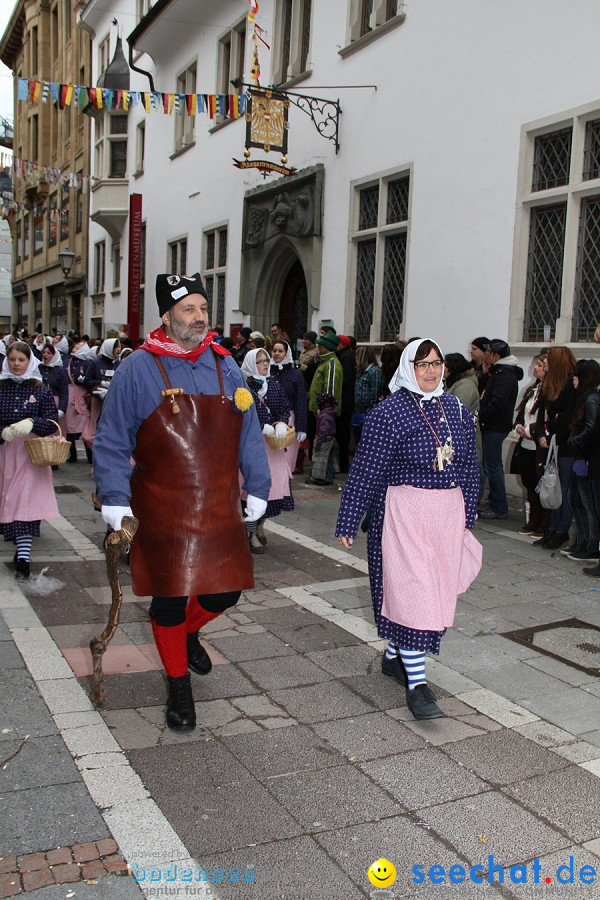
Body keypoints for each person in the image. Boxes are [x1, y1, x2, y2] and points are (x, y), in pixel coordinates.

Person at [93, 274, 270, 732]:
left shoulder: (226, 366)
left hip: (216, 503)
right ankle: (178, 687)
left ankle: (188, 634)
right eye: (187, 309)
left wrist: (260, 485)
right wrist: (114, 499)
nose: (198, 317)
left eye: (202, 308)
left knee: (224, 589)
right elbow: (112, 440)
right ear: (167, 317)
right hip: (161, 504)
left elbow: (248, 431)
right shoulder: (138, 368)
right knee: (169, 599)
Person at [336, 339, 481, 719]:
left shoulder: (456, 409)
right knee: (414, 594)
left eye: (436, 363)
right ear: (407, 368)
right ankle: (418, 687)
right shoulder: (390, 413)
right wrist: (350, 518)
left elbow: (468, 465)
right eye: (422, 364)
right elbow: (366, 470)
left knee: (432, 592)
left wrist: (468, 516)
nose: (431, 371)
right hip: (404, 515)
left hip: (446, 516)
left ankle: (393, 655)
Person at [0, 342, 60, 580]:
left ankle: (24, 559)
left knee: (24, 503)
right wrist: (3, 432)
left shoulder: (41, 389)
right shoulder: (1, 388)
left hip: (32, 455)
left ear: (29, 361)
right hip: (6, 453)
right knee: (9, 502)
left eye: (21, 360)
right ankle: (20, 549)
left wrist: (33, 424)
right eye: (13, 359)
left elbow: (52, 423)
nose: (16, 364)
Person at [241, 348, 293, 552]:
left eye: (266, 360)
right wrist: (260, 424)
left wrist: (281, 423)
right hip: (252, 445)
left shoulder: (274, 385)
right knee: (253, 490)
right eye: (260, 361)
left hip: (273, 447)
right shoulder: (243, 386)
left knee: (272, 490)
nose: (264, 364)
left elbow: (283, 407)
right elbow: (241, 411)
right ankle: (251, 532)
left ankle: (260, 527)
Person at [533, 346, 576, 549]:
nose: (545, 362)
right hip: (550, 443)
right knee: (551, 485)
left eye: (548, 359)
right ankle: (550, 528)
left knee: (562, 488)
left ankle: (561, 529)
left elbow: (568, 418)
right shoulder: (550, 384)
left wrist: (554, 430)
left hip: (564, 446)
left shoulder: (569, 386)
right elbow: (543, 412)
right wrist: (541, 434)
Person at [478, 340, 523, 519]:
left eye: (488, 352)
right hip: (493, 425)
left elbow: (498, 402)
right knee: (491, 465)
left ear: (496, 355)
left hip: (495, 426)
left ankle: (499, 506)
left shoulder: (505, 374)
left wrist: (482, 415)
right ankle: (494, 502)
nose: (485, 355)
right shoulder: (499, 371)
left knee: (493, 467)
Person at [564, 359, 600, 560]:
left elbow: (591, 429)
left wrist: (574, 443)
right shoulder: (584, 398)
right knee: (576, 500)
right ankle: (584, 540)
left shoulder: (591, 399)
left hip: (586, 458)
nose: (573, 380)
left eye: (576, 376)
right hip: (582, 457)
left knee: (588, 504)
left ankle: (592, 544)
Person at [514, 353, 548, 537]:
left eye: (540, 365)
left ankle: (543, 523)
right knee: (529, 483)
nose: (535, 368)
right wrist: (520, 426)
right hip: (526, 444)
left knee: (540, 484)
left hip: (538, 445)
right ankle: (533, 520)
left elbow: (544, 419)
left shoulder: (549, 392)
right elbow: (523, 412)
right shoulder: (532, 390)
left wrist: (529, 430)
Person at [307, 331, 343, 485]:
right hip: (321, 410)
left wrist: (323, 408)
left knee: (325, 443)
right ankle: (323, 473)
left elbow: (330, 390)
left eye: (320, 345)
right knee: (323, 442)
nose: (318, 347)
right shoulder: (325, 362)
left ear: (326, 347)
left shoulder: (332, 364)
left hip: (326, 411)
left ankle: (324, 475)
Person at [269, 340, 308, 475]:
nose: (277, 354)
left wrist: (302, 428)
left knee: (287, 460)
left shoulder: (295, 375)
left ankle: (285, 491)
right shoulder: (267, 372)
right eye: (274, 351)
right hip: (269, 420)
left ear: (287, 353)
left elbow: (301, 401)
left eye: (280, 351)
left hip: (289, 421)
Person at [444, 352, 482, 476]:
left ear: (451, 369)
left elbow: (455, 414)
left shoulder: (466, 386)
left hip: (460, 440)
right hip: (451, 439)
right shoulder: (455, 383)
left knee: (460, 477)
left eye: (443, 365)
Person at [63, 340, 92, 463]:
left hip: (82, 395)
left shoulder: (88, 363)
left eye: (79, 346)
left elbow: (90, 379)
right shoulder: (67, 361)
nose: (76, 347)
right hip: (70, 395)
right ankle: (72, 454)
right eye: (75, 345)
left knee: (84, 425)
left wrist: (83, 380)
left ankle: (90, 455)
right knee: (69, 426)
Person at [353, 346, 384, 446]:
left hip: (367, 414)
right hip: (359, 412)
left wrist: (368, 413)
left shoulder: (374, 372)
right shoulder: (362, 372)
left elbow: (376, 393)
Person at [336, 335, 356, 473]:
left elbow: (346, 380)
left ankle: (343, 465)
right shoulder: (343, 356)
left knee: (343, 434)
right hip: (344, 401)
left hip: (345, 402)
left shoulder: (346, 358)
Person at [38, 343, 69, 430]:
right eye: (44, 352)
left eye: (48, 353)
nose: (45, 354)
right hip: (40, 401)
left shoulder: (60, 371)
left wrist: (62, 409)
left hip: (55, 402)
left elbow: (64, 392)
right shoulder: (39, 368)